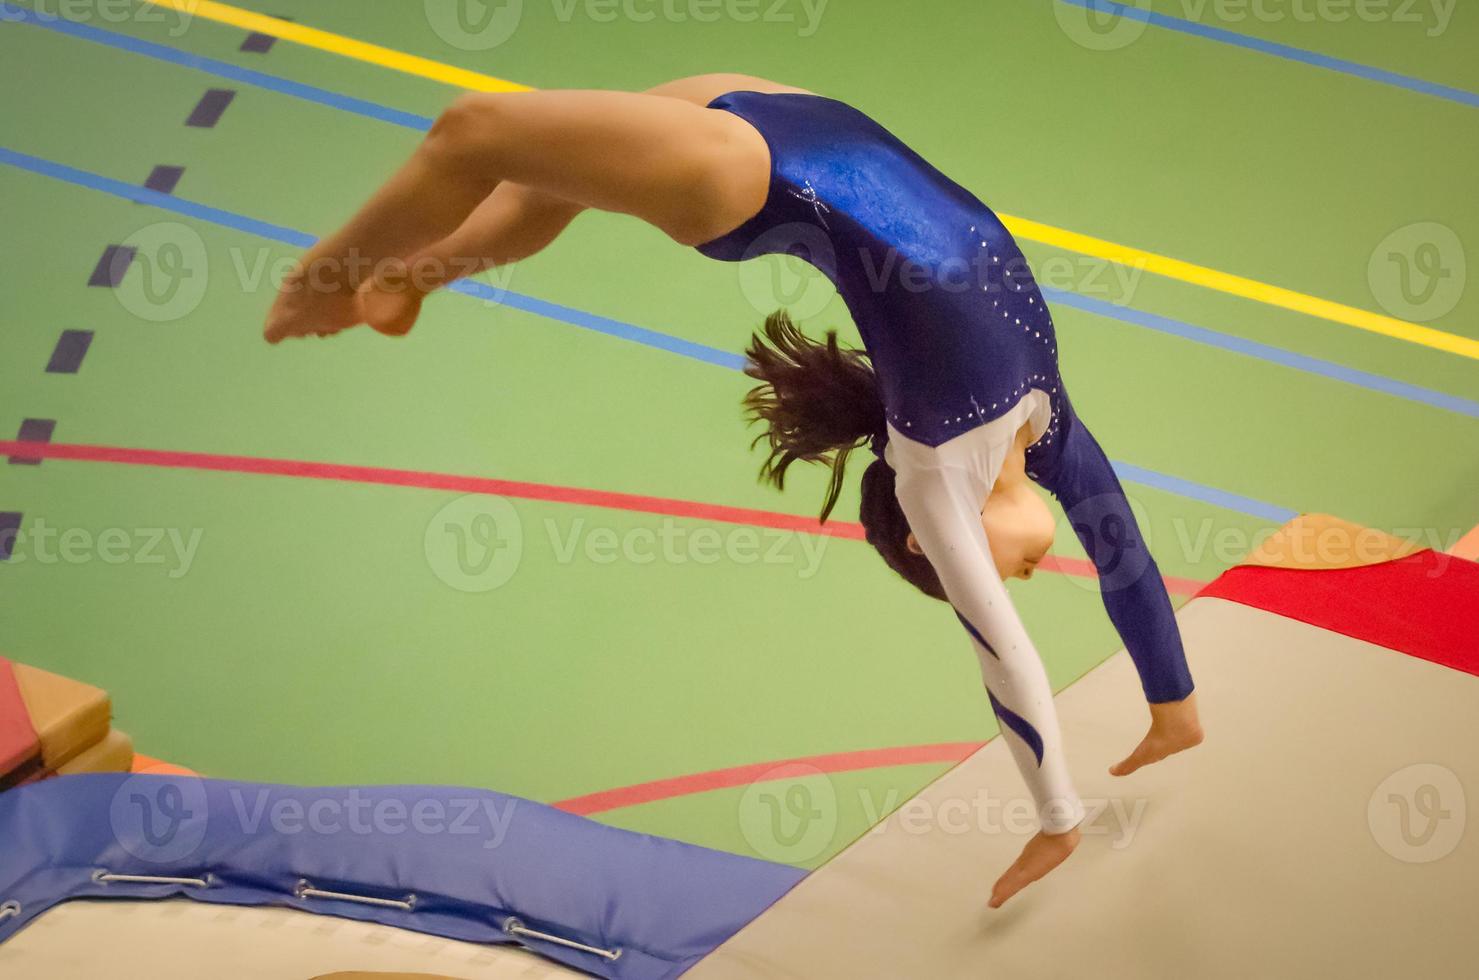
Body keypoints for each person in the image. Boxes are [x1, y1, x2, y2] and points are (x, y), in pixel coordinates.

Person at [263, 73, 1204, 908]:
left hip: (747, 181)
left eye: (1009, 581)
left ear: (925, 542)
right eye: (1015, 582)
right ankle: (404, 282)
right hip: (799, 109)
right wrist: (1173, 704)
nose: (1021, 581)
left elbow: (1003, 662)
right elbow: (1128, 562)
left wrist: (1055, 816)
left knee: (472, 134)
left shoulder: (929, 474)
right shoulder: (1055, 434)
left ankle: (325, 282)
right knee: (546, 184)